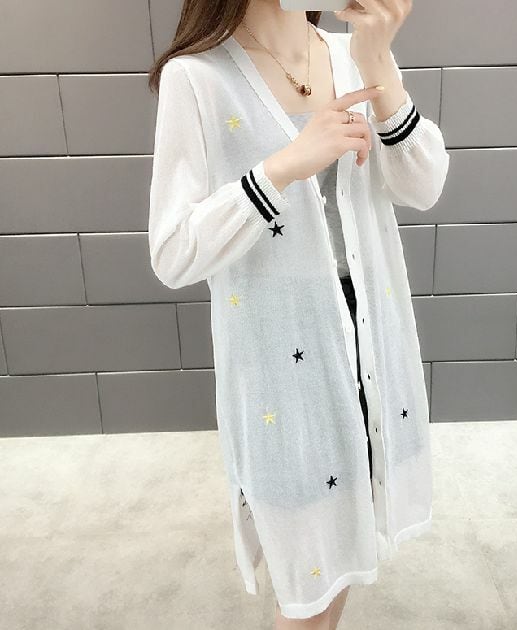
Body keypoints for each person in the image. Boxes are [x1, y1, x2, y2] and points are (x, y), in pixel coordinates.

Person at [147, 1, 450, 628]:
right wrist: (281, 169)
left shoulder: (350, 55)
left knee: (346, 549)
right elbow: (174, 251)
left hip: (370, 337)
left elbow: (424, 186)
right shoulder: (198, 77)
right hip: (282, 363)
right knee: (309, 574)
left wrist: (378, 60)